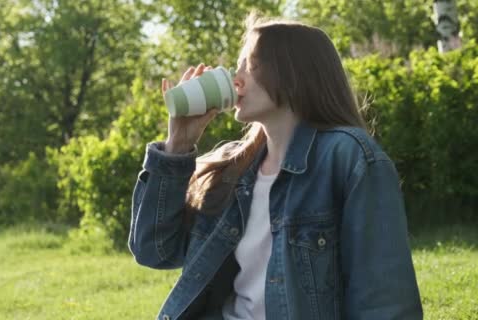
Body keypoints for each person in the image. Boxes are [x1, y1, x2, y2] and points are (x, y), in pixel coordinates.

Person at [128, 12, 423, 320]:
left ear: (292, 73)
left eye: (251, 65)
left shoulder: (347, 156)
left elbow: (385, 300)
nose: (236, 78)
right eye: (238, 65)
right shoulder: (234, 168)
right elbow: (153, 250)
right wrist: (178, 144)